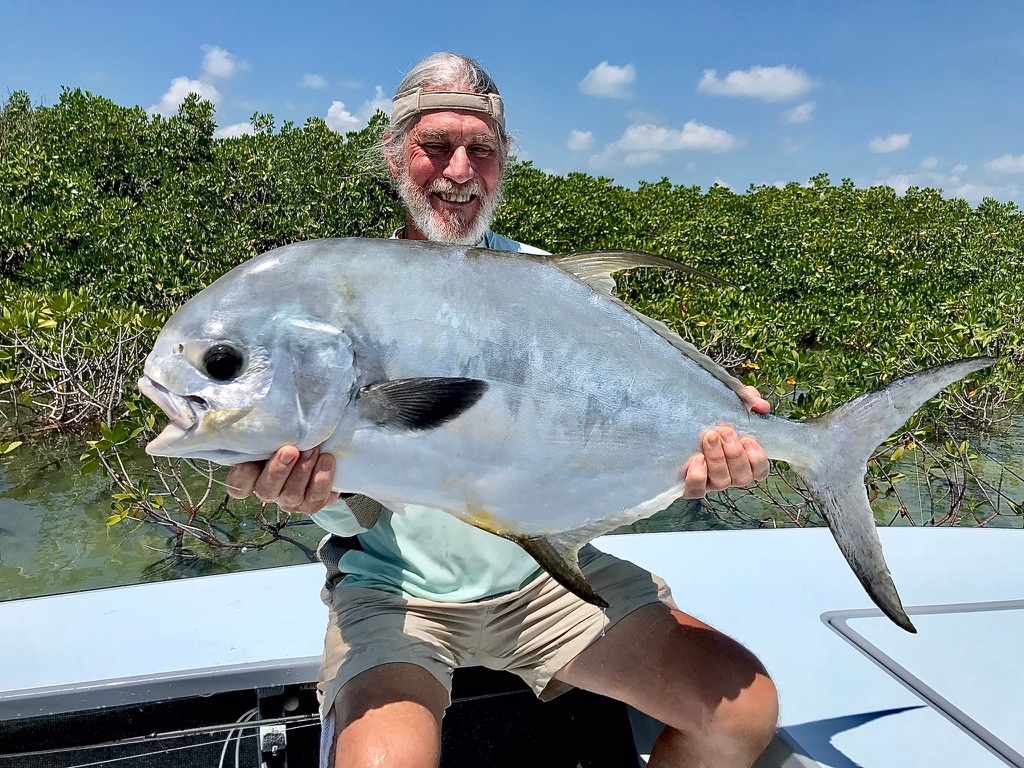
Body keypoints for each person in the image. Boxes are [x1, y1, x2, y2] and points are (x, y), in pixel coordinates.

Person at [226, 52, 779, 768]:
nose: (458, 171)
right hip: (399, 595)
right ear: (394, 156)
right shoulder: (348, 293)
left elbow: (615, 421)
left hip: (545, 579)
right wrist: (314, 498)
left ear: (503, 160)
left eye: (479, 150)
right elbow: (354, 503)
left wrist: (713, 443)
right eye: (435, 146)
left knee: (742, 715)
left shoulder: (549, 280)